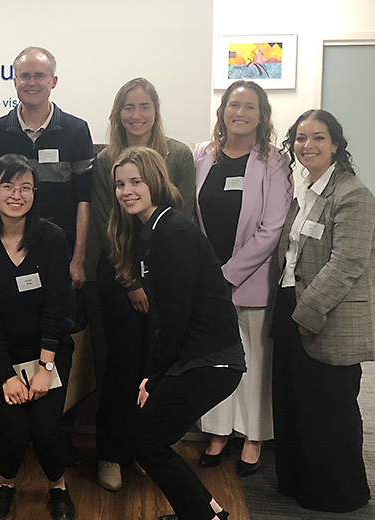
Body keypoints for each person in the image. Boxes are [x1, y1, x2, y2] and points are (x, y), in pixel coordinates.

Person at [109, 147, 243, 520]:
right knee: (148, 440)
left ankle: (202, 514)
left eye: (135, 181)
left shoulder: (172, 232)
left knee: (145, 441)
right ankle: (207, 511)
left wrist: (153, 375)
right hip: (196, 358)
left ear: (155, 181)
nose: (126, 190)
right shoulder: (152, 230)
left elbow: (174, 318)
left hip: (212, 361)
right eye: (120, 184)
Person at [0, 47, 94, 461]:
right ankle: (14, 435)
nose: (31, 82)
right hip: (6, 256)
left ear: (53, 82)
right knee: (6, 332)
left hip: (56, 257)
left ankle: (54, 436)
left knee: (59, 339)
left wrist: (77, 258)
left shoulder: (76, 130)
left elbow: (84, 200)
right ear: (14, 81)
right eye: (24, 75)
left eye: (39, 76)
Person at [89, 77, 195, 490]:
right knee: (122, 365)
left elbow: (179, 218)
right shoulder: (105, 162)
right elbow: (106, 223)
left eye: (144, 106)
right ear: (118, 115)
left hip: (164, 277)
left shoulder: (180, 156)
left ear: (156, 110)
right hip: (120, 276)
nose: (136, 115)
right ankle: (111, 453)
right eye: (128, 107)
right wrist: (131, 280)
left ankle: (144, 448)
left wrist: (155, 282)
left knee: (156, 368)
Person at [271, 109, 375, 513]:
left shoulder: (353, 195)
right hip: (289, 306)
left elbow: (348, 262)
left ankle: (338, 494)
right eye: (300, 138)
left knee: (330, 411)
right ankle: (297, 483)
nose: (307, 146)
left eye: (318, 137)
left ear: (336, 144)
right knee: (295, 402)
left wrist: (306, 313)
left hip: (326, 316)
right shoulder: (306, 191)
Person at [0, 154, 77, 520]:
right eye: (7, 186)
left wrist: (46, 365)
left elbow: (58, 309)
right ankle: (5, 484)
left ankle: (58, 488)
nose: (17, 194)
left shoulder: (51, 238)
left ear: (35, 193)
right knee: (12, 431)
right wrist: (5, 375)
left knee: (46, 430)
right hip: (4, 355)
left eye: (26, 187)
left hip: (50, 351)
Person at [194, 80, 291, 476]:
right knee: (215, 359)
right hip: (206, 280)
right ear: (223, 110)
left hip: (250, 282)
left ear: (261, 115)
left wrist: (229, 275)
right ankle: (218, 433)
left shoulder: (273, 161)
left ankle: (252, 436)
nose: (241, 113)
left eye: (250, 107)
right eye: (234, 104)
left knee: (254, 361)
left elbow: (272, 228)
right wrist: (206, 274)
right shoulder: (204, 155)